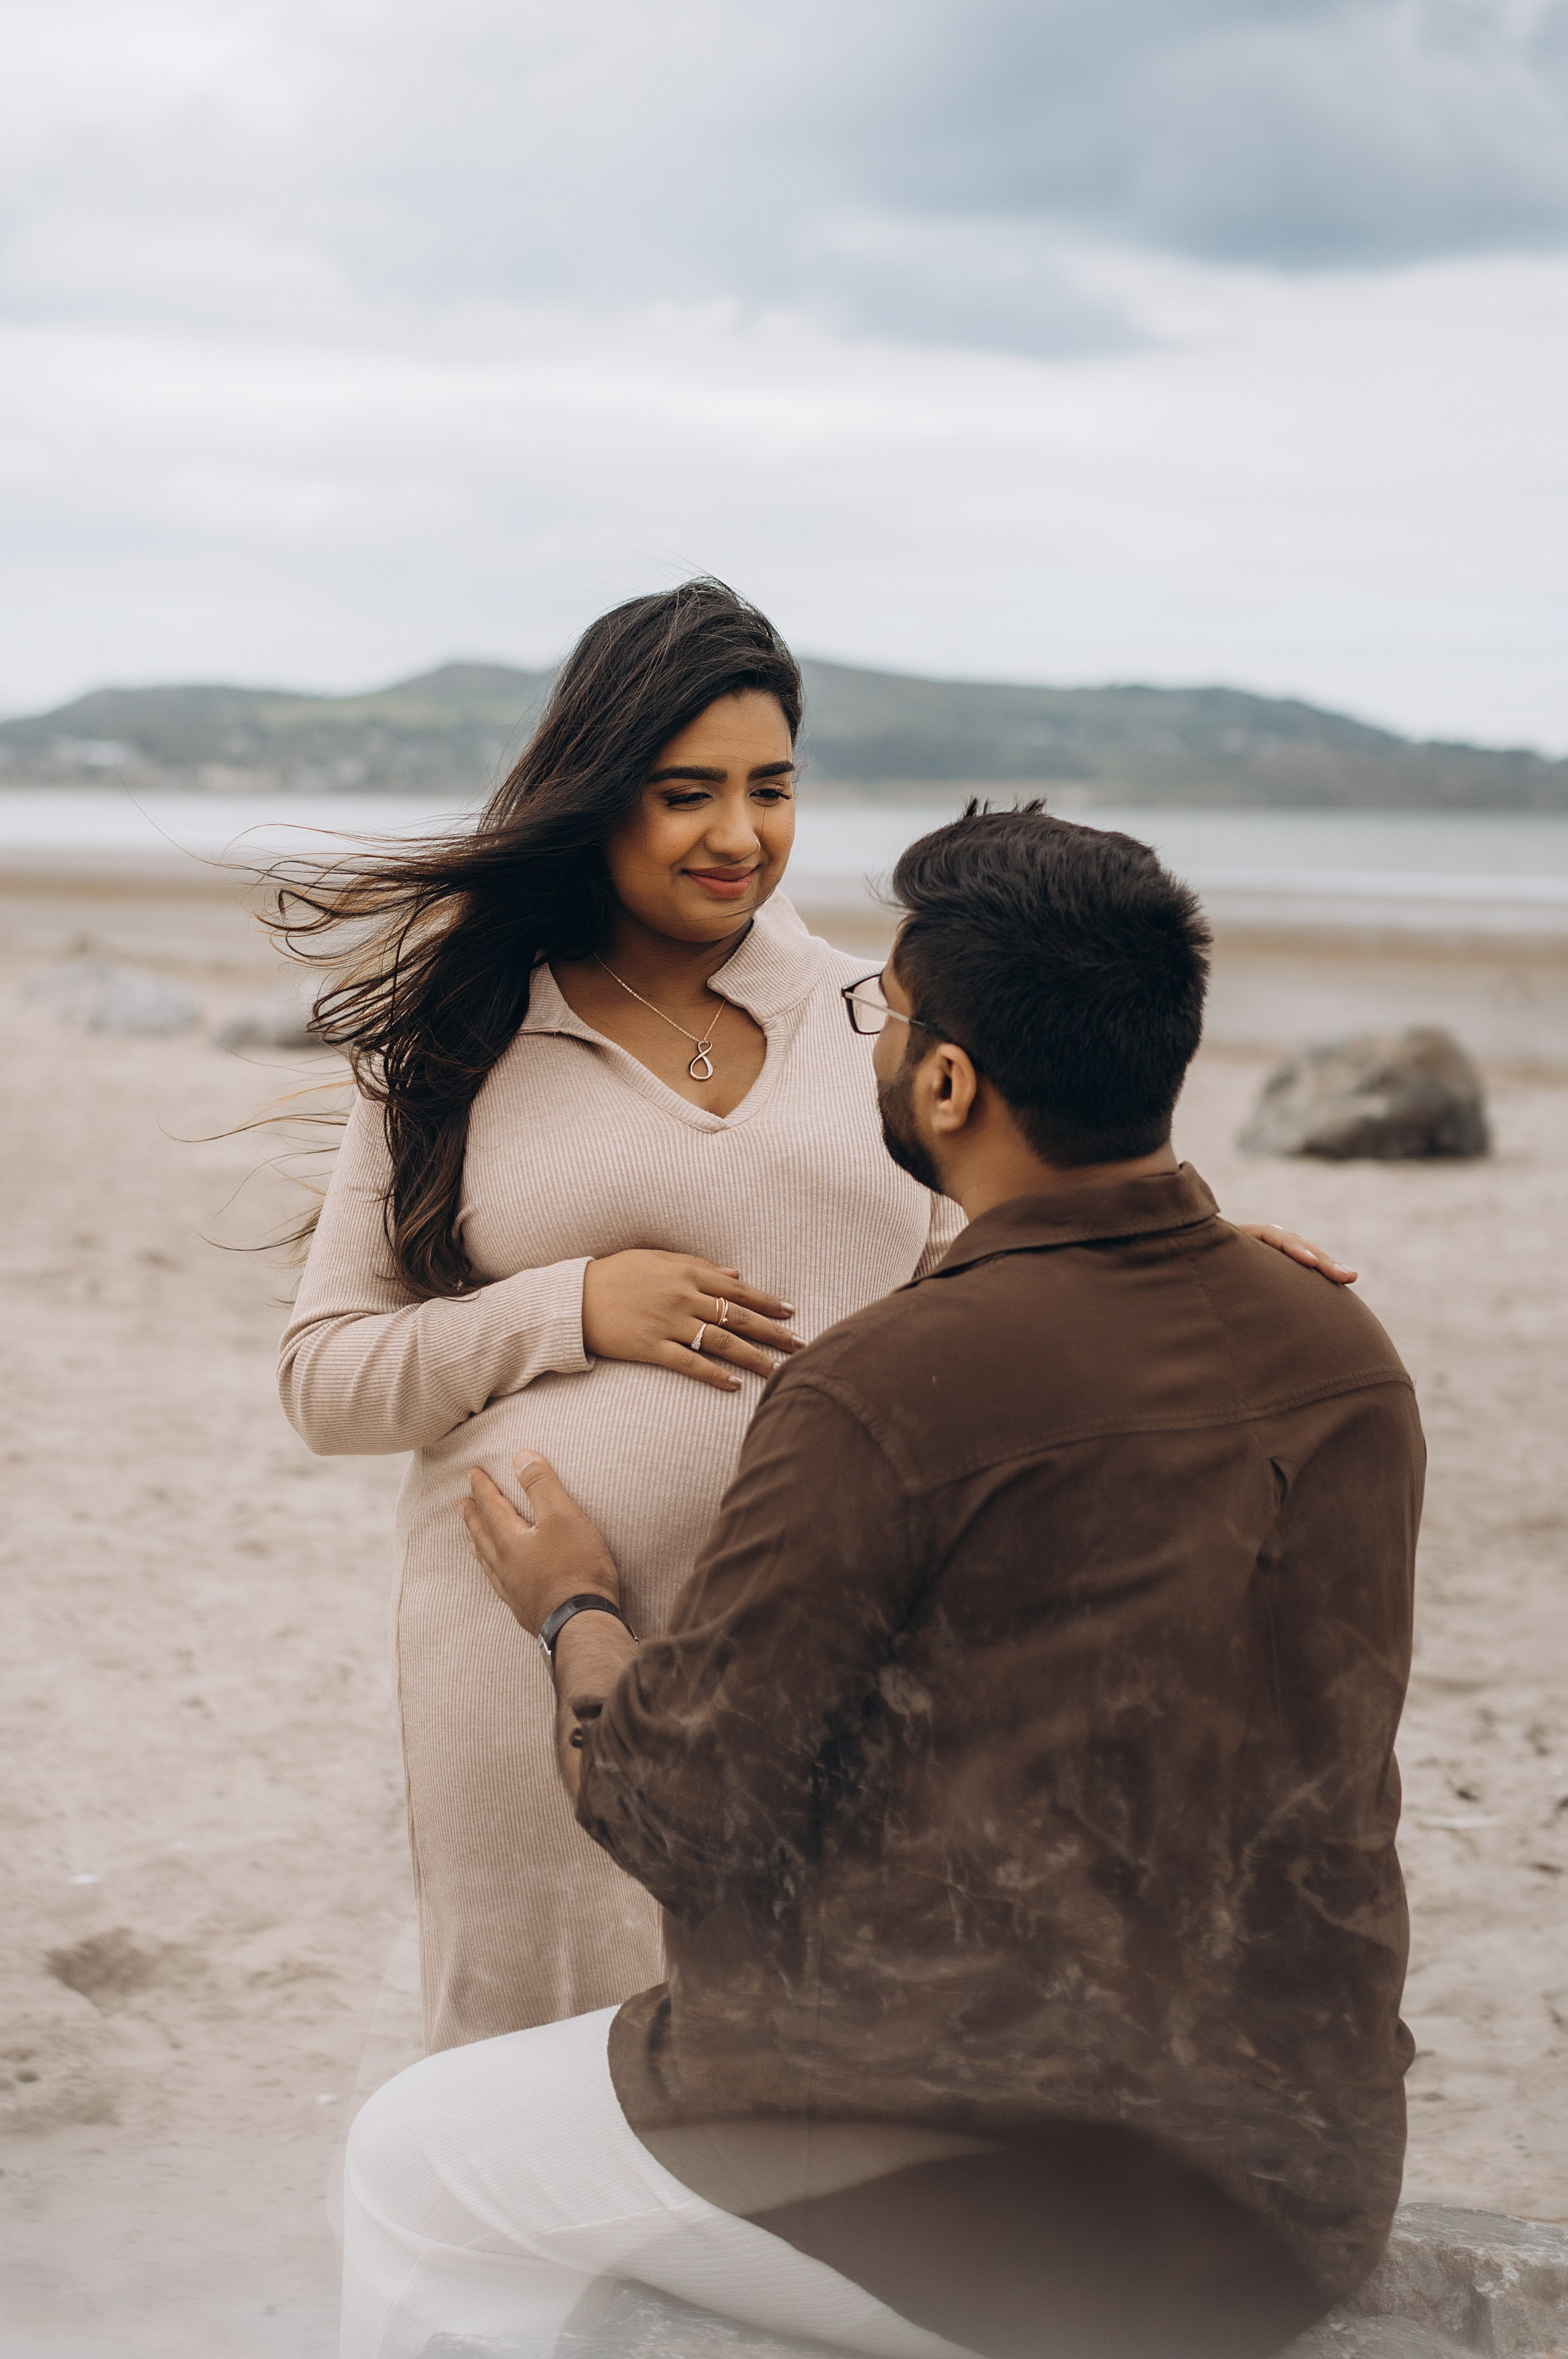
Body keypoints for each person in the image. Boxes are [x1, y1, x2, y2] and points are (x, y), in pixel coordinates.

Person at [339, 805, 1423, 2359]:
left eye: (889, 1012)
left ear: (945, 1084)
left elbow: (676, 1810)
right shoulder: (1344, 1354)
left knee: (411, 2156)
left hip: (1015, 2216)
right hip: (1307, 2184)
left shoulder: (886, 1390)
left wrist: (571, 1607)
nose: (874, 1032)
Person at [278, 578, 1346, 2057]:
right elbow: (327, 1381)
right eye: (685, 792)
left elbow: (1023, 1235)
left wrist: (1194, 1251)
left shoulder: (878, 1013)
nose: (739, 835)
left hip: (828, 1637)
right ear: (594, 796)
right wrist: (567, 1306)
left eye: (770, 787)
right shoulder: (452, 1031)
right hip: (515, 1625)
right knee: (521, 2043)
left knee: (788, 2066)